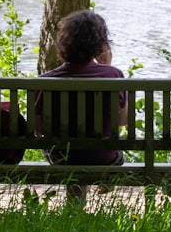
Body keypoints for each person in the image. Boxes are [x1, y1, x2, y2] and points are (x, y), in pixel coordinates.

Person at [34, 10, 128, 168]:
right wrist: (107, 67)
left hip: (62, 158)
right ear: (100, 45)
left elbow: (37, 128)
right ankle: (101, 186)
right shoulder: (114, 75)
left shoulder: (45, 81)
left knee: (60, 151)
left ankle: (75, 192)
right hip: (104, 158)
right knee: (115, 154)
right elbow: (122, 121)